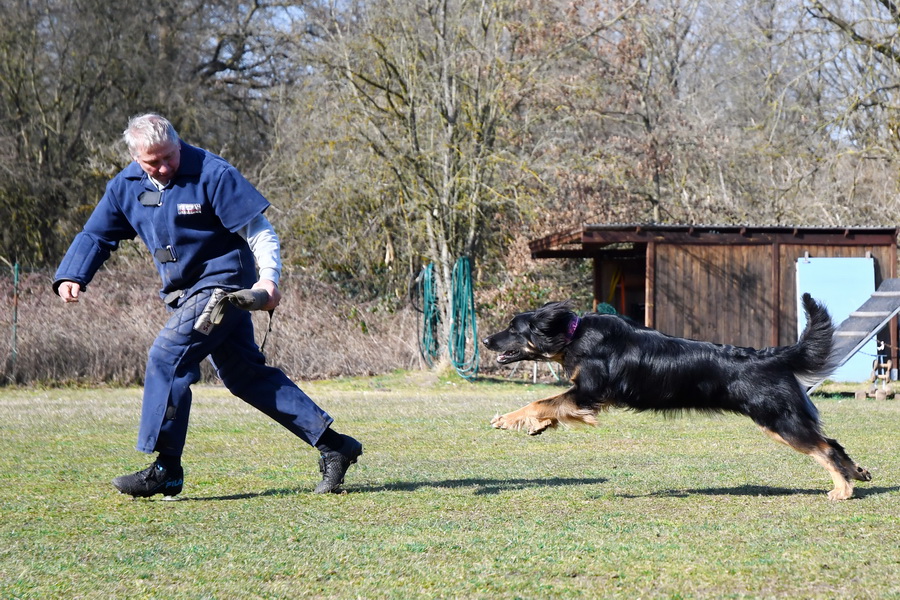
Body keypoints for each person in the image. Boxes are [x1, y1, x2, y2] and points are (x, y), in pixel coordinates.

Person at [53, 113, 362, 498]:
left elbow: (259, 229)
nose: (164, 167)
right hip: (183, 295)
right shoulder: (126, 186)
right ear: (136, 159)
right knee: (244, 376)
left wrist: (269, 279)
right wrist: (72, 274)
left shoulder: (213, 173)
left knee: (167, 357)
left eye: (170, 156)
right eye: (154, 162)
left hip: (224, 287)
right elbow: (97, 234)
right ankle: (334, 445)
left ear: (178, 145)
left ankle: (166, 467)